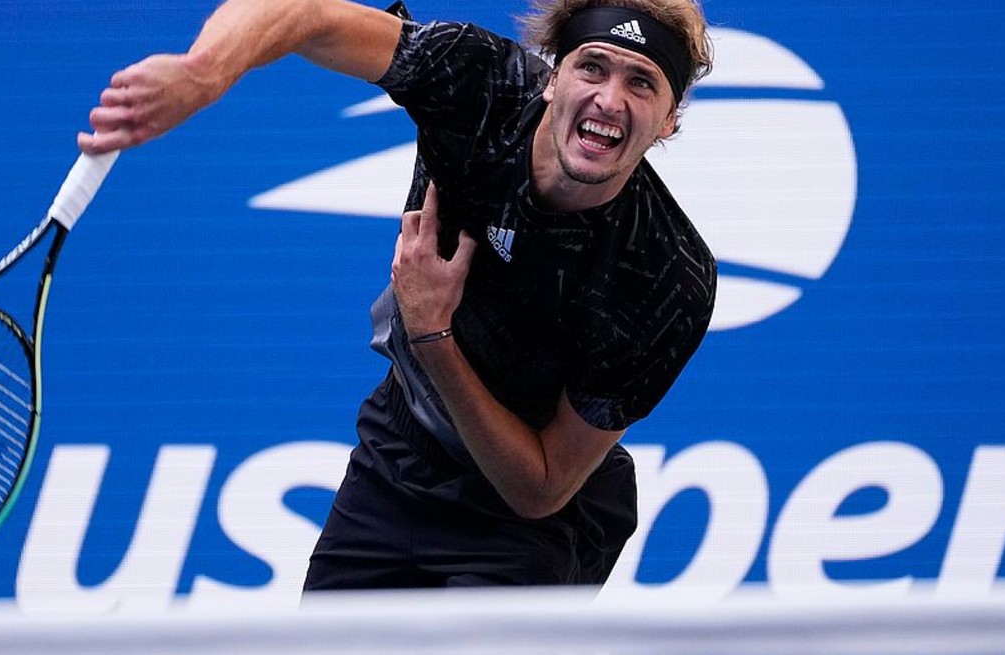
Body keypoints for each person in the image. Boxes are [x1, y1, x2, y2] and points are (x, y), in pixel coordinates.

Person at [80, 0, 716, 588]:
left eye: (642, 83)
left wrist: (432, 332)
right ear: (554, 77)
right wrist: (203, 74)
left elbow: (542, 486)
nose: (609, 99)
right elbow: (308, 13)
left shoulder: (665, 275)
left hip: (534, 524)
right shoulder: (482, 85)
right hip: (402, 451)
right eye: (593, 67)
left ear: (669, 119)